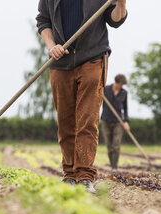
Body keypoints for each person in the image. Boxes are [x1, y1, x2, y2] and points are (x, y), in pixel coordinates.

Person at [36, 0, 128, 193]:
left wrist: (121, 3)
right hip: (61, 62)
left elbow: (115, 20)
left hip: (92, 58)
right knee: (66, 121)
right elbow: (43, 21)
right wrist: (52, 46)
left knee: (87, 119)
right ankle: (69, 174)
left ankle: (85, 176)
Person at [101, 74, 130, 170]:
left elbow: (125, 108)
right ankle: (112, 164)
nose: (122, 86)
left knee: (116, 145)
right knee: (109, 146)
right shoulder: (105, 89)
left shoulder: (124, 93)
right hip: (106, 120)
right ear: (116, 82)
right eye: (121, 84)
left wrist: (125, 121)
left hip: (118, 122)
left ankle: (114, 167)